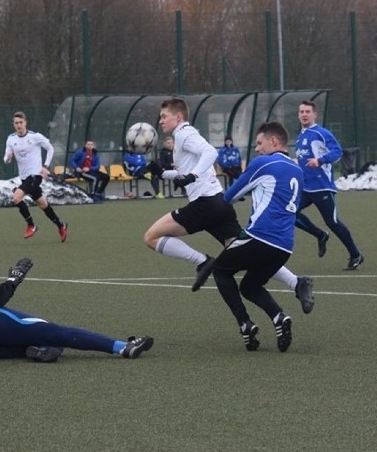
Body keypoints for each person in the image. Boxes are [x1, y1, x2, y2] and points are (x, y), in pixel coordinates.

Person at [143, 98, 314, 313]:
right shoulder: (183, 137)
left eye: (163, 116)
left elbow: (210, 154)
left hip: (205, 204)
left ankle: (202, 261)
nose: (160, 122)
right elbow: (187, 173)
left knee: (151, 237)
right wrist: (162, 173)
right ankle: (296, 282)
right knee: (247, 254)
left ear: (178, 117)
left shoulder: (184, 134)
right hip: (217, 203)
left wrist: (192, 175)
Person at [0, 225, 154, 361]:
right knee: (53, 330)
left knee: (43, 344)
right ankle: (123, 347)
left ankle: (43, 351)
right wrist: (14, 279)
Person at [212, 121, 303, 352]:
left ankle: (244, 324)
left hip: (260, 236)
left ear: (274, 142)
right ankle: (279, 318)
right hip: (284, 246)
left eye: (260, 143)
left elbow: (230, 196)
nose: (257, 149)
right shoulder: (297, 170)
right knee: (250, 286)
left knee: (221, 271)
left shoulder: (263, 163)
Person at [295, 100, 364, 270]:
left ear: (314, 114)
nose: (304, 114)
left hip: (322, 187)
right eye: (302, 111)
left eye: (307, 111)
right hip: (305, 187)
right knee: (289, 212)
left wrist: (320, 160)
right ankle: (320, 235)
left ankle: (356, 255)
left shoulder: (321, 133)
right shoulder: (301, 135)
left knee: (333, 222)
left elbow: (337, 151)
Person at [4, 111, 68, 242]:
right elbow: (6, 157)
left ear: (25, 123)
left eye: (21, 122)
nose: (19, 125)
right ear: (13, 125)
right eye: (16, 123)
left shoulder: (35, 137)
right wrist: (8, 158)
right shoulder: (11, 139)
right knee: (43, 204)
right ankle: (61, 225)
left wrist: (45, 166)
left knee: (16, 197)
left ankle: (31, 225)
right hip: (24, 177)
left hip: (35, 176)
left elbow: (50, 148)